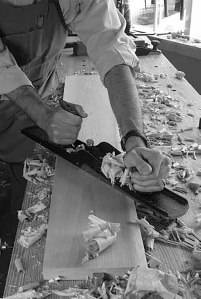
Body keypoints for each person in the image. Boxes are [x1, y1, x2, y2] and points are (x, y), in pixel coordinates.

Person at [0, 0, 170, 216]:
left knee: (32, 181)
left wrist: (134, 138)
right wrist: (42, 114)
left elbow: (111, 47)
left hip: (39, 94)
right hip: (13, 102)